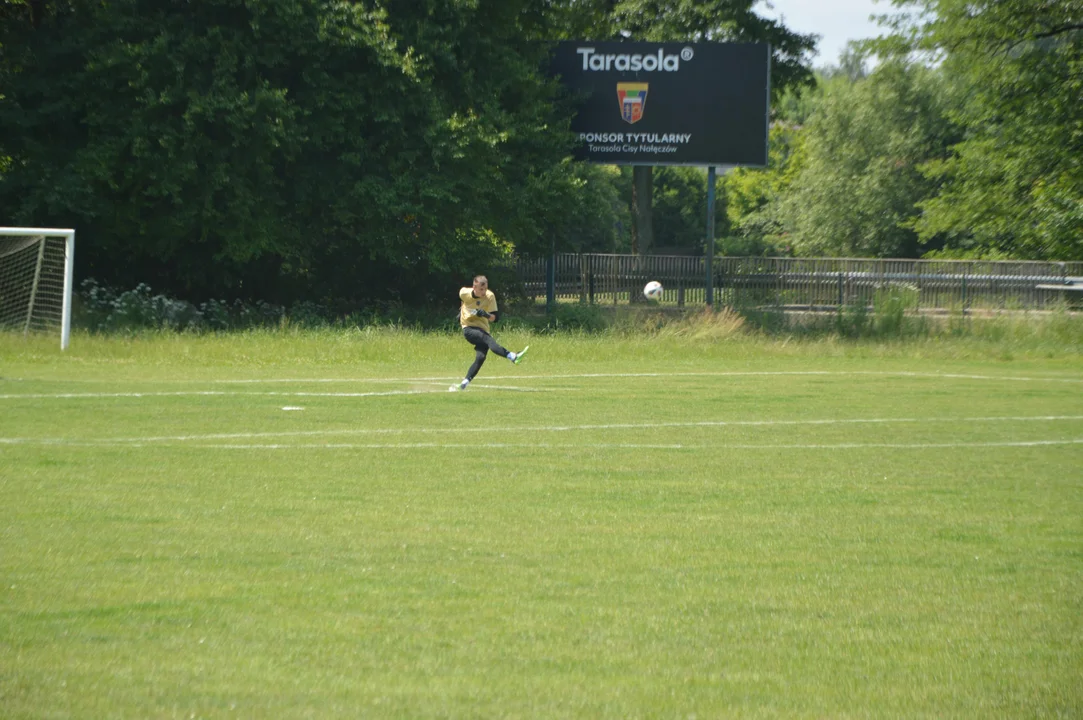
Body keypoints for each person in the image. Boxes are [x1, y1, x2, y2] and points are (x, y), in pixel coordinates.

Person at [450, 275, 529, 391]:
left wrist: (485, 315)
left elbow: (495, 318)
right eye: (481, 289)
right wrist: (461, 312)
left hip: (483, 329)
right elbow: (464, 301)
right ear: (474, 288)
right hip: (469, 329)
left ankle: (463, 384)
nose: (484, 292)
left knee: (480, 357)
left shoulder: (490, 296)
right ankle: (513, 356)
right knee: (488, 340)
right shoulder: (464, 292)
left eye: (485, 288)